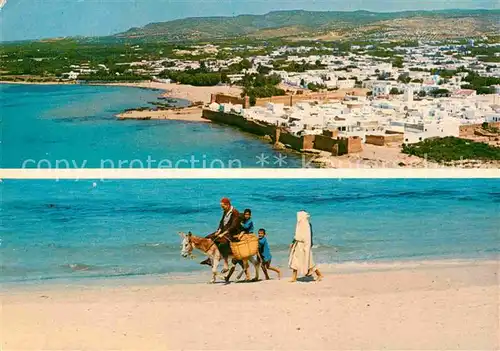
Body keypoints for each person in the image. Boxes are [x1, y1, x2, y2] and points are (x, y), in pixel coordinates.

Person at [200, 197, 241, 272]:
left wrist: (224, 233)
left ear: (228, 205)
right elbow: (221, 221)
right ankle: (210, 259)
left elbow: (234, 225)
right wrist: (219, 230)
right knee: (208, 238)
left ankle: (226, 263)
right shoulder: (225, 211)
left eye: (223, 206)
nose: (222, 208)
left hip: (232, 232)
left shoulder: (235, 212)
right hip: (223, 231)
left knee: (223, 243)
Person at [288, 211, 323, 282]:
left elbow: (309, 235)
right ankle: (294, 277)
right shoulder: (299, 224)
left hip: (304, 245)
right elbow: (297, 235)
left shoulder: (307, 225)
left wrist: (309, 244)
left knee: (309, 261)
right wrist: (293, 242)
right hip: (298, 244)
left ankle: (319, 274)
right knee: (295, 260)